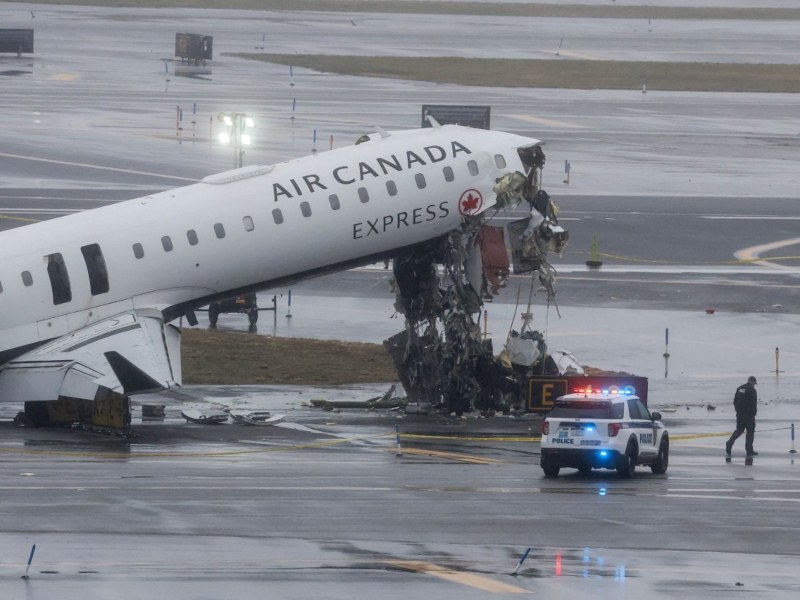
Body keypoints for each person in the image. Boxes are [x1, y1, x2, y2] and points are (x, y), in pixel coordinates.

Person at [726, 376, 758, 457]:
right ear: (753, 382)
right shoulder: (752, 390)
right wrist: (753, 413)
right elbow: (753, 403)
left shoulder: (740, 388)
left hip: (740, 414)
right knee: (750, 432)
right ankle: (749, 450)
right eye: (754, 383)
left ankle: (730, 442)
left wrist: (738, 411)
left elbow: (734, 401)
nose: (754, 385)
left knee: (739, 430)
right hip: (749, 415)